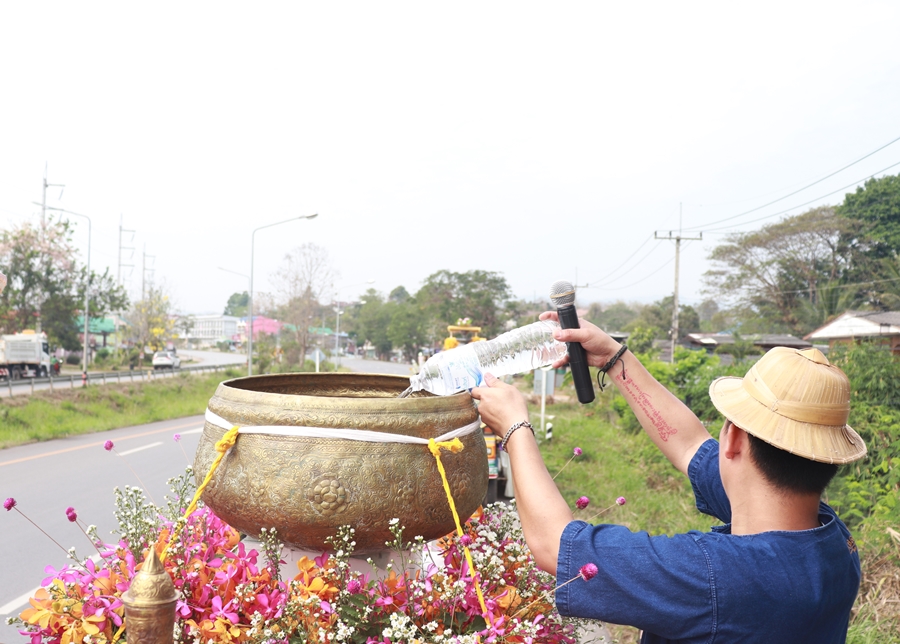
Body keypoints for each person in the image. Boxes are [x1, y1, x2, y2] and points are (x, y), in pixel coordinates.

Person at [471, 312, 867, 643]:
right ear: (826, 459)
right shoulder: (834, 543)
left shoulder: (714, 578)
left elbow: (555, 548)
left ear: (733, 438)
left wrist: (514, 428)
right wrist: (614, 358)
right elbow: (691, 445)